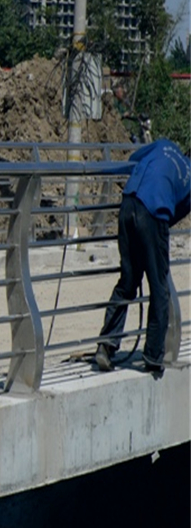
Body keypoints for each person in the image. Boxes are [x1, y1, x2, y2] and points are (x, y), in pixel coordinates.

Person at [95, 139, 190, 374]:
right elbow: (173, 215)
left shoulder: (163, 145)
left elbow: (133, 158)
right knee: (159, 287)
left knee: (128, 280)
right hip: (154, 213)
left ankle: (106, 346)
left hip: (129, 202)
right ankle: (154, 356)